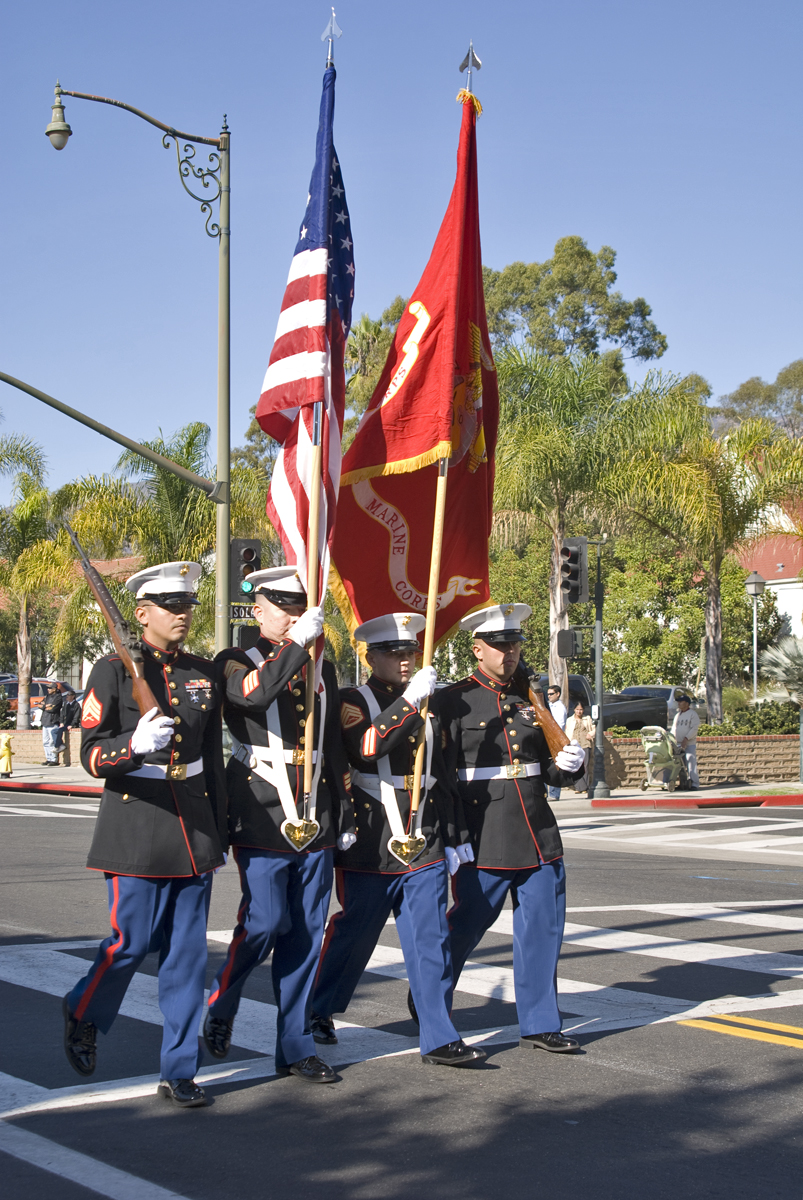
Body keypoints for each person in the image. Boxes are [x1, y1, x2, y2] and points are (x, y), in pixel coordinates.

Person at [63, 561, 227, 1109]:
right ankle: (84, 1011)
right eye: (171, 606)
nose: (182, 615)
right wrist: (131, 745)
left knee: (186, 959)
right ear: (141, 613)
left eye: (188, 606)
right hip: (136, 824)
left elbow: (212, 762)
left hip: (193, 830)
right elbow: (89, 755)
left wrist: (219, 831)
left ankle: (179, 1068)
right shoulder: (110, 672)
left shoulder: (203, 673)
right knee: (128, 944)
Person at [310, 613, 485, 1069]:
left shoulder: (430, 700)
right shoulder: (355, 699)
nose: (406, 660)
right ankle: (319, 1007)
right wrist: (409, 702)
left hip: (421, 832)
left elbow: (441, 774)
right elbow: (367, 747)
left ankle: (439, 1035)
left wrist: (453, 834)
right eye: (394, 653)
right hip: (372, 835)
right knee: (356, 932)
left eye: (410, 652)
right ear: (371, 656)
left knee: (430, 938)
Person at [203, 566, 356, 1084]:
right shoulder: (230, 660)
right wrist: (298, 646)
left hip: (315, 812)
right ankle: (223, 1000)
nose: (292, 616)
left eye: (299, 608)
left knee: (307, 934)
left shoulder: (322, 668)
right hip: (262, 807)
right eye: (283, 608)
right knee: (265, 923)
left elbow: (332, 747)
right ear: (259, 609)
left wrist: (346, 808)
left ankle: (295, 1046)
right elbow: (253, 696)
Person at [434, 604, 586, 1056]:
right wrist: (452, 835)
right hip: (484, 834)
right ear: (477, 648)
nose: (510, 653)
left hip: (538, 830)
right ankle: (430, 1003)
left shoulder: (530, 700)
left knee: (543, 930)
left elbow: (548, 770)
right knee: (464, 928)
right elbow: (442, 776)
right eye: (500, 645)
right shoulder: (452, 701)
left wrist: (569, 767)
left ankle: (540, 1022)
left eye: (515, 644)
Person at [564, 702, 595, 793]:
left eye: (581, 709)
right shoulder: (570, 720)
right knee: (575, 766)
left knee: (585, 765)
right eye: (577, 709)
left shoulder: (587, 719)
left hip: (585, 744)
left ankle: (585, 787)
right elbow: (567, 732)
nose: (579, 711)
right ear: (574, 710)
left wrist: (590, 734)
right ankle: (580, 787)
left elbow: (594, 728)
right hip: (574, 745)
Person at [672, 694, 700, 790]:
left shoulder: (692, 714)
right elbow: (674, 729)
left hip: (689, 743)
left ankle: (694, 783)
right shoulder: (677, 715)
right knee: (680, 765)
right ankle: (683, 783)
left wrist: (686, 739)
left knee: (690, 762)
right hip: (678, 743)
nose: (679, 703)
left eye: (681, 701)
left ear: (687, 703)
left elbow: (694, 728)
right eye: (678, 702)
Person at [546, 684, 567, 801]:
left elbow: (558, 725)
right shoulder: (549, 706)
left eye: (551, 694)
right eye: (548, 694)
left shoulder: (559, 708)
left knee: (555, 767)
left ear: (558, 694)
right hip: (547, 739)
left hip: (555, 740)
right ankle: (545, 793)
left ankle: (554, 794)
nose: (549, 696)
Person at [55, 688, 81, 757]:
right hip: (65, 723)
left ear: (73, 696)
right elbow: (62, 714)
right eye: (67, 695)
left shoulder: (76, 705)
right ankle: (60, 744)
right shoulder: (66, 704)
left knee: (60, 730)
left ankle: (57, 746)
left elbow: (76, 716)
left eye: (69, 695)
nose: (67, 696)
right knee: (54, 731)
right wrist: (61, 722)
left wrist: (72, 724)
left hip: (71, 724)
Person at [41, 683, 63, 765]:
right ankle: (48, 758)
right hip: (45, 720)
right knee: (45, 742)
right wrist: (45, 706)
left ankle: (54, 759)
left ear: (54, 689)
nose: (48, 689)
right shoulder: (47, 697)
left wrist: (46, 707)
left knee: (52, 742)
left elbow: (53, 709)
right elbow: (40, 705)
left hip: (53, 721)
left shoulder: (58, 697)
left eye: (50, 688)